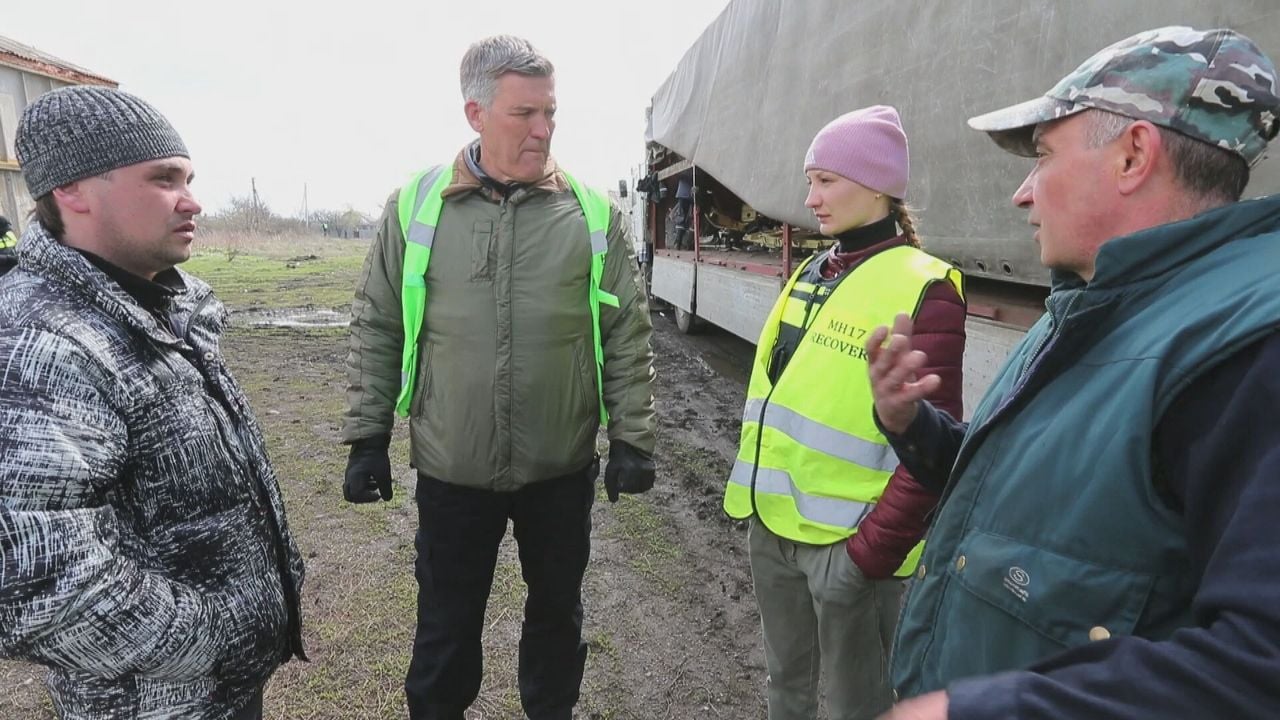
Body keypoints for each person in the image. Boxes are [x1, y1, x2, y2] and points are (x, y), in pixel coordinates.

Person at [871, 27, 1280, 720]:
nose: (1022, 195)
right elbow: (1040, 513)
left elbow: (1257, 667)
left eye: (1042, 157)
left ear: (1132, 156)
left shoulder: (1247, 348)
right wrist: (913, 428)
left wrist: (974, 712)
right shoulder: (1096, 304)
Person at [341, 35, 657, 720]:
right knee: (446, 632)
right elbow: (378, 323)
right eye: (525, 114)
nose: (543, 130)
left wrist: (634, 438)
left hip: (559, 466)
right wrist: (367, 436)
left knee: (556, 622)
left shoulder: (591, 214)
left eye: (551, 113)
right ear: (475, 112)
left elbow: (626, 330)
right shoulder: (415, 207)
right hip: (453, 467)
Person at [0, 86, 306, 719]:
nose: (192, 201)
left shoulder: (158, 305)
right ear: (73, 191)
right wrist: (216, 635)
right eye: (164, 180)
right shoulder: (40, 342)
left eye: (188, 178)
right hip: (152, 700)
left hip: (217, 687)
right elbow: (37, 584)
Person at [724, 105, 966, 720]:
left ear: (879, 186)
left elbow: (934, 448)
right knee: (787, 691)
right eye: (810, 181)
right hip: (773, 528)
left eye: (826, 180)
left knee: (858, 707)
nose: (812, 198)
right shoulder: (813, 270)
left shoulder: (925, 287)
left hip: (849, 550)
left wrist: (868, 557)